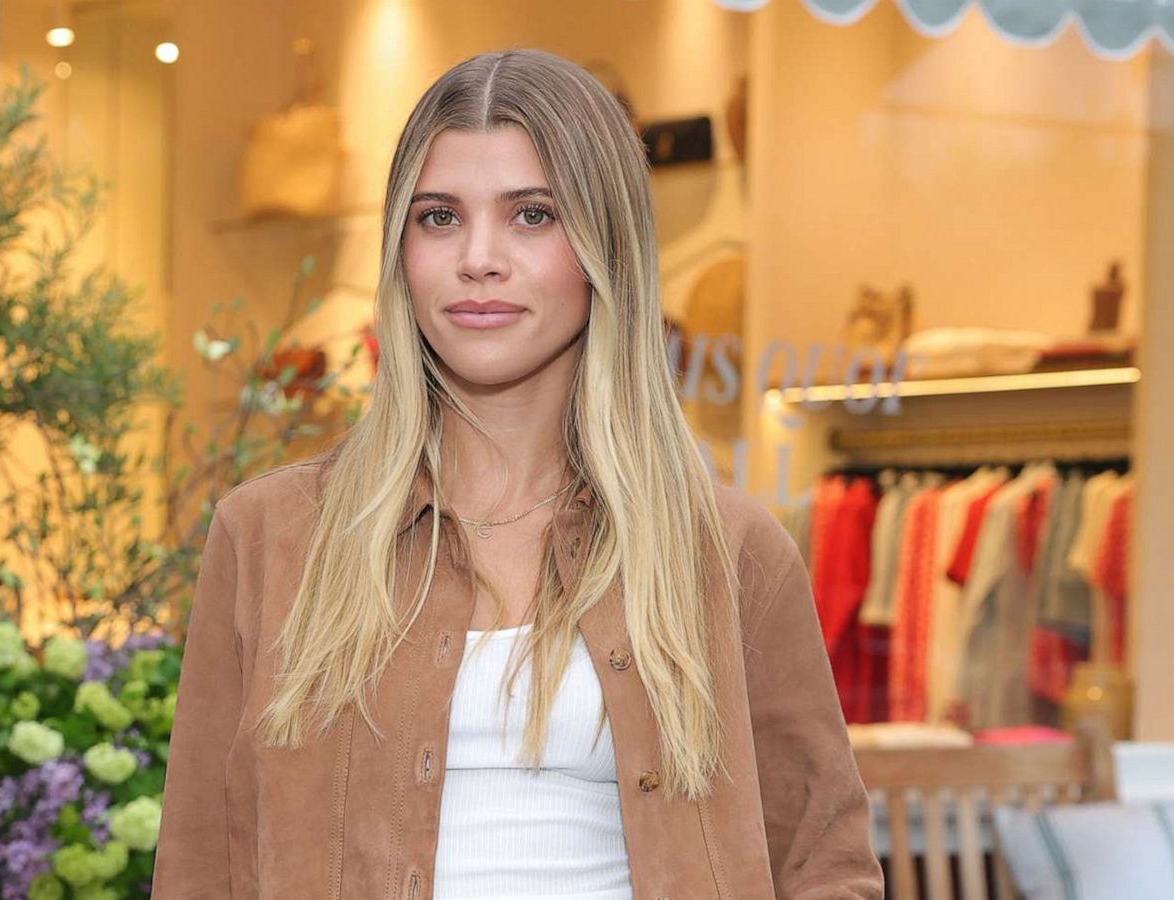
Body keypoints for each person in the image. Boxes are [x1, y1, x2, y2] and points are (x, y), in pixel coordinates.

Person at [151, 48, 883, 899]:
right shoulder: (269, 537)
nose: (479, 259)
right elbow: (199, 865)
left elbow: (823, 865)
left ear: (603, 245)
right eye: (438, 218)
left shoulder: (725, 552)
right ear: (401, 251)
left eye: (532, 215)